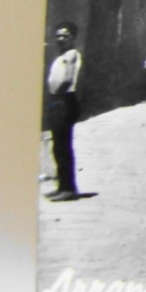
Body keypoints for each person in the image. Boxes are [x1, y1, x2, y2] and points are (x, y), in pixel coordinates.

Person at [44, 21, 83, 202]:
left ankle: (69, 189)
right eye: (58, 36)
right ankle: (62, 186)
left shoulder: (71, 55)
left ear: (73, 38)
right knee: (58, 146)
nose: (61, 39)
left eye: (65, 36)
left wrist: (56, 95)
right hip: (58, 101)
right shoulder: (61, 56)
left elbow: (67, 79)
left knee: (62, 146)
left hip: (64, 101)